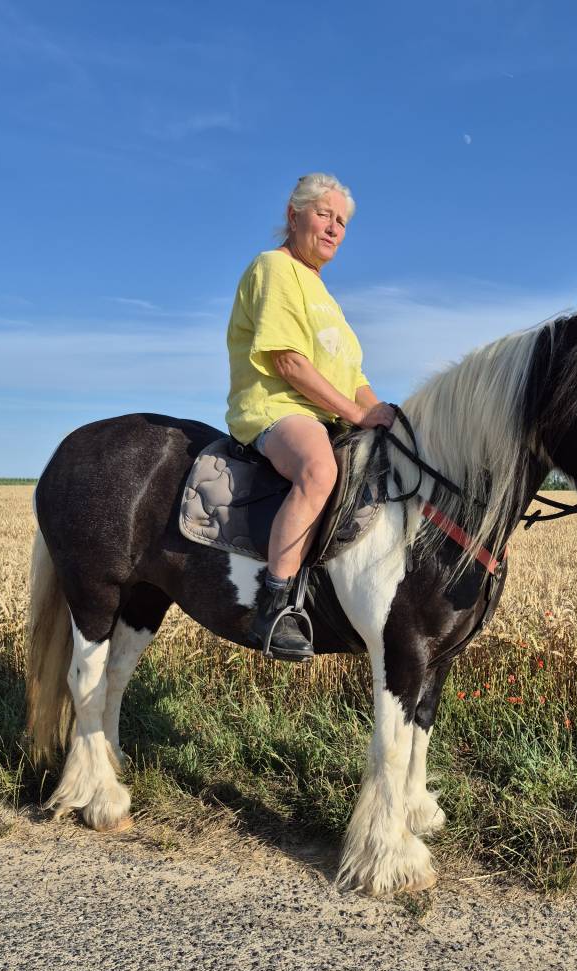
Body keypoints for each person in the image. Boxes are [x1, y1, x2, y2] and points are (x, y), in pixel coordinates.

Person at [225, 173, 395, 660]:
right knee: (319, 468)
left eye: (342, 221)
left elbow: (353, 377)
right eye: (325, 214)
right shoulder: (274, 268)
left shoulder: (325, 294)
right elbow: (289, 362)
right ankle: (273, 605)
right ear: (293, 215)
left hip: (325, 416)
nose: (334, 227)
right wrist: (357, 414)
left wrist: (380, 414)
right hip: (276, 407)